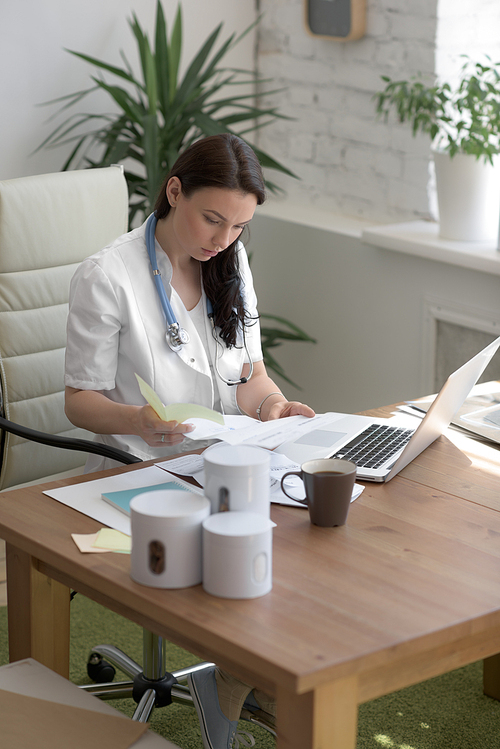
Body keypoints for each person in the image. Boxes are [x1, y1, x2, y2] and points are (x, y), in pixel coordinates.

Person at [64, 133, 315, 748]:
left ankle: (244, 676)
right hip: (148, 465)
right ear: (174, 191)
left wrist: (278, 408)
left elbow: (248, 377)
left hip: (227, 457)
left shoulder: (228, 263)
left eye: (238, 227)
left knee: (304, 523)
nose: (222, 239)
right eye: (212, 219)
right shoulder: (107, 276)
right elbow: (78, 401)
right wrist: (138, 422)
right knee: (241, 536)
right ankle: (238, 681)